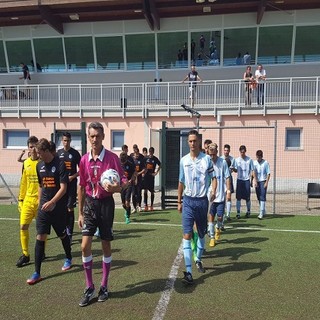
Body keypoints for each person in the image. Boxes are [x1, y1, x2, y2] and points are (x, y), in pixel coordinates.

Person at [77, 122, 127, 307]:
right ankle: (89, 286)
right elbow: (81, 186)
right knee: (84, 246)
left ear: (103, 137)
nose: (95, 139)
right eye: (92, 136)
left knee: (105, 244)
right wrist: (80, 213)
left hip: (106, 204)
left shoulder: (112, 158)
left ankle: (104, 285)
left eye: (98, 136)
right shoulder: (83, 160)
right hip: (90, 204)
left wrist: (117, 187)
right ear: (88, 138)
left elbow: (123, 180)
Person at [27, 138, 72, 285]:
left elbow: (63, 188)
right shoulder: (39, 165)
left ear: (46, 151)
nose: (38, 156)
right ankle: (37, 272)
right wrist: (41, 203)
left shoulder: (60, 164)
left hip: (57, 208)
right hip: (44, 209)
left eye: (40, 153)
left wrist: (53, 202)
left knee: (62, 234)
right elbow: (41, 185)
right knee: (40, 237)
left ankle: (69, 257)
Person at [177, 129, 216, 285]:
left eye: (195, 141)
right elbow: (181, 182)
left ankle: (198, 259)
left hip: (202, 202)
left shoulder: (207, 159)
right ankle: (189, 272)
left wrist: (213, 190)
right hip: (188, 201)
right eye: (190, 141)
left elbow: (214, 178)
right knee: (186, 235)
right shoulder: (183, 160)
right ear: (188, 142)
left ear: (199, 142)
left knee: (201, 234)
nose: (192, 143)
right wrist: (179, 201)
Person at [16, 136, 40, 268]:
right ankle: (25, 254)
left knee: (41, 229)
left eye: (35, 146)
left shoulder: (42, 163)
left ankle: (41, 252)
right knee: (23, 226)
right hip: (28, 201)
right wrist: (20, 199)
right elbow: (23, 183)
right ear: (28, 149)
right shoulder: (26, 164)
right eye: (31, 147)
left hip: (41, 202)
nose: (33, 149)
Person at [57, 132, 81, 243]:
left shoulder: (75, 154)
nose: (66, 143)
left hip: (71, 186)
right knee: (62, 209)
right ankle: (65, 230)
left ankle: (70, 233)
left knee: (70, 208)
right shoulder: (58, 154)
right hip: (61, 186)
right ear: (62, 141)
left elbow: (82, 170)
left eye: (68, 140)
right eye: (64, 140)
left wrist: (72, 177)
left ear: (70, 141)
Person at [207, 143, 231, 247]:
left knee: (220, 217)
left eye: (213, 154)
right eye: (210, 154)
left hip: (221, 195)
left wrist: (228, 191)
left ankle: (218, 227)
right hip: (210, 195)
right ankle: (212, 237)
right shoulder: (207, 162)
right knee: (211, 216)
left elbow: (227, 177)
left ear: (217, 152)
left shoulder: (223, 162)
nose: (211, 156)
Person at [233, 145, 256, 219]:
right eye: (241, 152)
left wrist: (252, 180)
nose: (242, 153)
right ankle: (238, 213)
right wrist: (233, 169)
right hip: (239, 180)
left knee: (247, 198)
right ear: (239, 151)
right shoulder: (237, 160)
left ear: (245, 151)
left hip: (246, 180)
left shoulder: (249, 160)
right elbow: (235, 170)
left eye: (243, 152)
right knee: (238, 198)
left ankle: (248, 211)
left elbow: (252, 170)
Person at [252, 150, 271, 220]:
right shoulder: (254, 163)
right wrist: (254, 180)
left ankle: (261, 213)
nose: (258, 159)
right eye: (257, 157)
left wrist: (266, 182)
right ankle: (263, 210)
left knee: (262, 196)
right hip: (257, 181)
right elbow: (253, 172)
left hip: (263, 181)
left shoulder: (265, 163)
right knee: (258, 197)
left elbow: (268, 173)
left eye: (259, 157)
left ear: (261, 157)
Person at [119, 151, 136, 224]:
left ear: (126, 159)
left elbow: (135, 172)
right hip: (122, 185)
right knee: (123, 204)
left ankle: (128, 217)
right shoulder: (118, 164)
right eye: (121, 161)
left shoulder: (130, 164)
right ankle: (127, 210)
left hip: (129, 185)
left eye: (123, 161)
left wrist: (131, 180)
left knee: (127, 202)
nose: (122, 163)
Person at [221, 144, 236, 221]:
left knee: (229, 197)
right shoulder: (220, 159)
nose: (226, 152)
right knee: (222, 198)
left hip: (229, 179)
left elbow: (236, 170)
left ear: (229, 151)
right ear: (223, 150)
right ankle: (222, 214)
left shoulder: (232, 159)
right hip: (222, 180)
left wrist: (233, 169)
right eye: (225, 150)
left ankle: (228, 214)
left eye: (227, 150)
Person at [143, 147, 161, 211]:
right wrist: (143, 172)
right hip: (145, 176)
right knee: (145, 190)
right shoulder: (145, 158)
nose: (150, 153)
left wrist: (156, 172)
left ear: (153, 152)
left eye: (151, 152)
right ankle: (145, 205)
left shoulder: (155, 159)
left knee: (152, 191)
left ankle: (152, 205)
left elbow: (160, 165)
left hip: (151, 176)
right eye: (149, 152)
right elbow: (142, 164)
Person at [131, 146, 146, 213]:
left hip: (139, 178)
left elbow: (144, 169)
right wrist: (134, 175)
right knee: (133, 193)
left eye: (137, 153)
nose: (136, 155)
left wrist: (138, 173)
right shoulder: (131, 159)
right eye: (135, 153)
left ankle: (139, 206)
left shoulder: (141, 159)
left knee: (139, 192)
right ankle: (134, 207)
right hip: (133, 179)